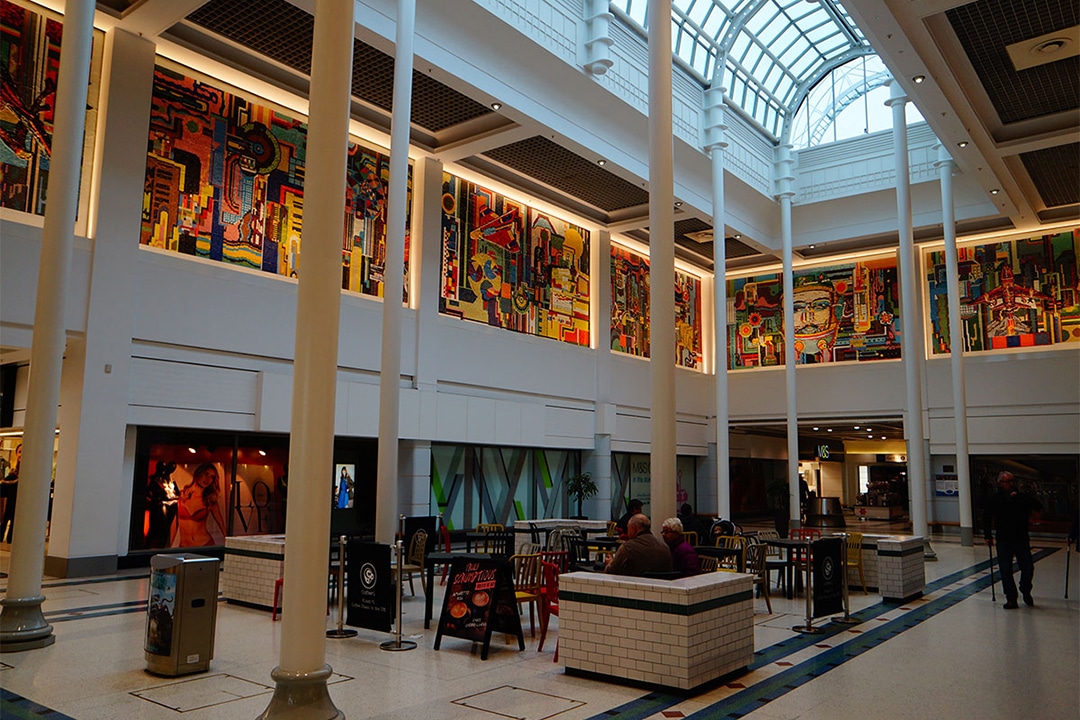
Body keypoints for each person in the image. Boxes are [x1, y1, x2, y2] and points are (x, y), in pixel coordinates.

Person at [983, 470, 1042, 609]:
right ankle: (1011, 598)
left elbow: (1037, 505)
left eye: (1011, 481)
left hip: (1021, 537)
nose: (1010, 484)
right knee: (1005, 569)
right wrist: (987, 535)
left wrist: (1020, 497)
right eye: (1007, 481)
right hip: (1003, 538)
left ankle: (1025, 589)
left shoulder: (1021, 497)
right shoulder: (995, 499)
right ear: (1000, 483)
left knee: (1028, 567)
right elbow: (987, 517)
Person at [174, 462, 227, 547]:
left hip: (204, 545)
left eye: (212, 477)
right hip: (184, 547)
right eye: (206, 474)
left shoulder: (210, 500)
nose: (208, 479)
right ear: (199, 473)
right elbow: (174, 524)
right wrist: (168, 547)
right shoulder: (182, 495)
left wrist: (230, 543)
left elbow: (221, 523)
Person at [605, 514, 672, 577]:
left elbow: (611, 571)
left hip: (634, 587)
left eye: (628, 528)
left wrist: (609, 563)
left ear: (634, 528)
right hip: (661, 586)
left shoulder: (627, 548)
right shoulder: (664, 546)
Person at [0, 444, 21, 543]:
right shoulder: (13, 474)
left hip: (22, 507)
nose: (21, 455)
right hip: (10, 504)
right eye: (20, 452)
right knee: (5, 522)